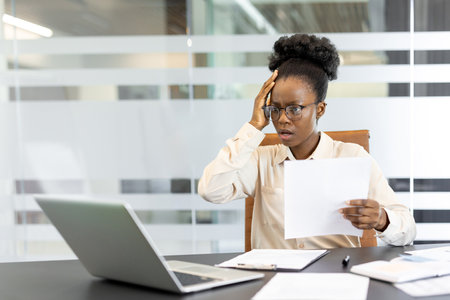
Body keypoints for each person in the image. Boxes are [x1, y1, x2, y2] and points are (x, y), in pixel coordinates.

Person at [198, 33, 416, 249]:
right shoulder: (260, 161)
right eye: (275, 109)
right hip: (275, 276)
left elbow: (408, 230)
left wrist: (382, 219)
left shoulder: (352, 157)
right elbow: (211, 190)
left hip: (334, 275)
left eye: (294, 109)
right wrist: (254, 126)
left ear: (319, 109)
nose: (282, 119)